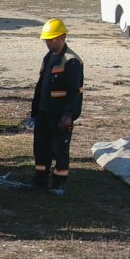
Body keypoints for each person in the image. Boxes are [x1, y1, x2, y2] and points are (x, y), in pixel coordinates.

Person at [30, 19, 83, 195]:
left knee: (60, 149)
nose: (48, 42)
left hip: (60, 115)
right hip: (44, 113)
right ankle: (40, 180)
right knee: (41, 147)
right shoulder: (49, 57)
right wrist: (35, 110)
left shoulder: (71, 61)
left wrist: (68, 116)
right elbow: (41, 85)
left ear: (62, 37)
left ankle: (59, 183)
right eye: (46, 39)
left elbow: (74, 92)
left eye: (51, 39)